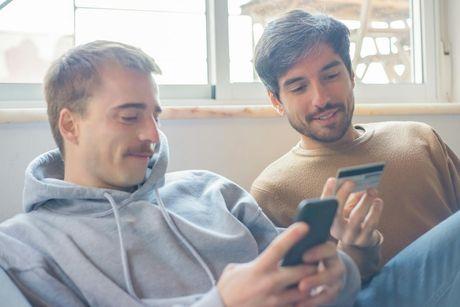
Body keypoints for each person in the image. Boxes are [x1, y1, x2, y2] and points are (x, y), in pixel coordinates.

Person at [0, 40, 363, 306]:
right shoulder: (23, 248)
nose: (153, 135)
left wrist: (339, 272)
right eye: (129, 116)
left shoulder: (210, 190)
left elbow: (322, 284)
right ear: (70, 124)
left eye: (155, 116)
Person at [250, 10, 460, 278]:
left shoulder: (420, 139)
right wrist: (354, 250)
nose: (321, 98)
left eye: (330, 76)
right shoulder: (272, 191)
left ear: (351, 75)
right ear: (276, 101)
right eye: (298, 87)